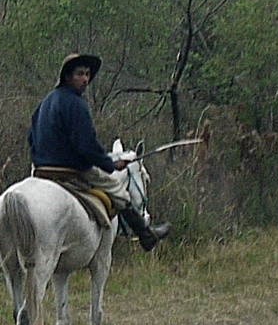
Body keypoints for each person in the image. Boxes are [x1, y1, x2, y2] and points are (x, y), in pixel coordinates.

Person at [28, 53, 171, 251]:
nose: (85, 79)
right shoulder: (76, 104)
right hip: (71, 171)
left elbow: (31, 137)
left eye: (87, 74)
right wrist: (110, 164)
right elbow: (86, 146)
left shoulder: (44, 103)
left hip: (40, 169)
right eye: (80, 74)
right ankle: (146, 236)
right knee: (119, 191)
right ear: (68, 77)